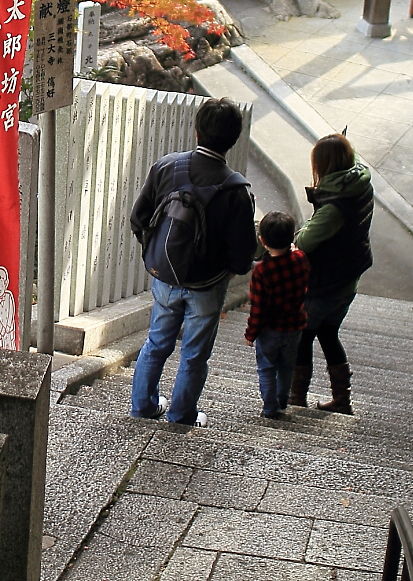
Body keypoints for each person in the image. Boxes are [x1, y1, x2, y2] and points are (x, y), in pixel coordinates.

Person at [129, 98, 256, 424]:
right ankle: (182, 414)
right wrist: (224, 271)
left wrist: (157, 253)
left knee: (157, 342)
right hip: (208, 285)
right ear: (234, 138)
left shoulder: (167, 167)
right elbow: (243, 258)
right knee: (195, 354)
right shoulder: (237, 190)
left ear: (196, 130)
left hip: (166, 277)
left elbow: (138, 219)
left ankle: (143, 407)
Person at [289, 133, 374, 414]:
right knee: (327, 333)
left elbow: (303, 241)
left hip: (326, 283)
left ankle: (296, 398)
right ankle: (341, 400)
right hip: (349, 278)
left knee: (302, 335)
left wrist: (299, 230)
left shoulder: (334, 209)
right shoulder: (359, 183)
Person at [245, 211, 311, 419]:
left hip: (269, 330)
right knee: (286, 366)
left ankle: (270, 407)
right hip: (294, 326)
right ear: (292, 237)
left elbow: (258, 308)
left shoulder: (262, 271)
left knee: (266, 368)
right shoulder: (300, 259)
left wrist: (251, 333)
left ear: (262, 241)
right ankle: (283, 398)